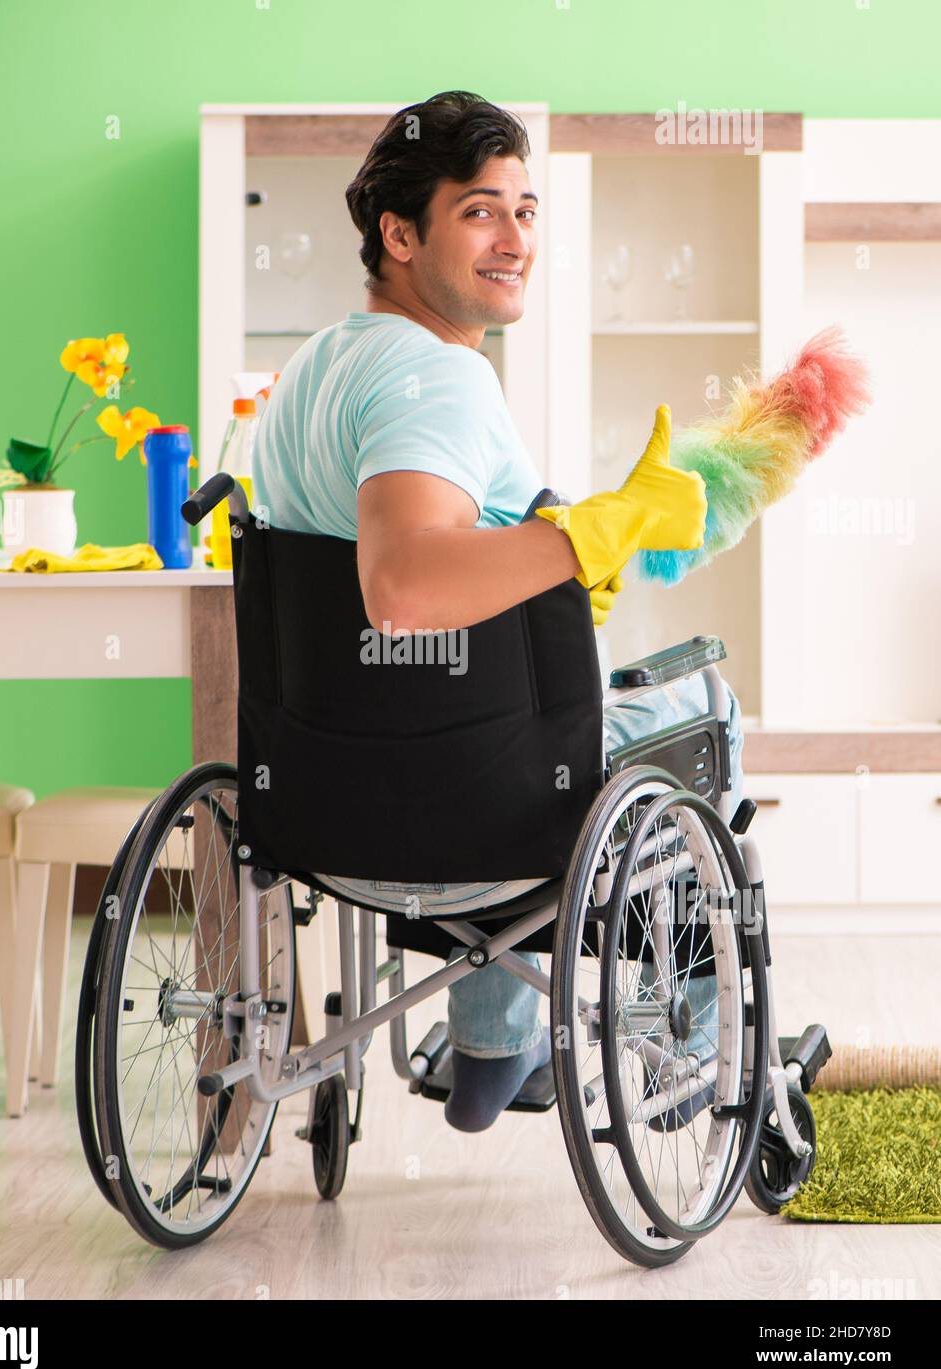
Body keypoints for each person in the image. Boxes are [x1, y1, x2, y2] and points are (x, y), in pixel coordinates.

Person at [251, 90, 744, 1133]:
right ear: (398, 232)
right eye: (480, 210)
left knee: (493, 721)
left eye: (526, 209)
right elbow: (404, 591)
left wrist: (573, 559)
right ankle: (694, 1042)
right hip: (479, 805)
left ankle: (491, 1050)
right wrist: (586, 535)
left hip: (325, 799)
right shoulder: (435, 382)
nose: (515, 238)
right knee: (702, 698)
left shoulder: (311, 368)